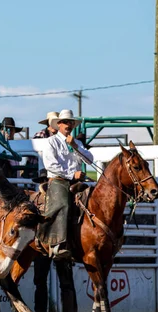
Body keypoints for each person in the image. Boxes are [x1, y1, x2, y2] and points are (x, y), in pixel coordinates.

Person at [40, 109, 94, 259]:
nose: (68, 125)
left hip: (76, 180)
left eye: (70, 122)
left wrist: (76, 147)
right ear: (59, 124)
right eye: (65, 122)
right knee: (63, 203)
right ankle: (58, 243)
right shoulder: (51, 142)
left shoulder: (76, 143)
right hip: (58, 180)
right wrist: (72, 174)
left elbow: (90, 159)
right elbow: (50, 165)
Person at [31, 168, 78, 312]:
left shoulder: (44, 202)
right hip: (44, 244)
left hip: (53, 241)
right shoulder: (36, 201)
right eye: (43, 181)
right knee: (41, 281)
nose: (45, 184)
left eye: (46, 181)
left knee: (63, 281)